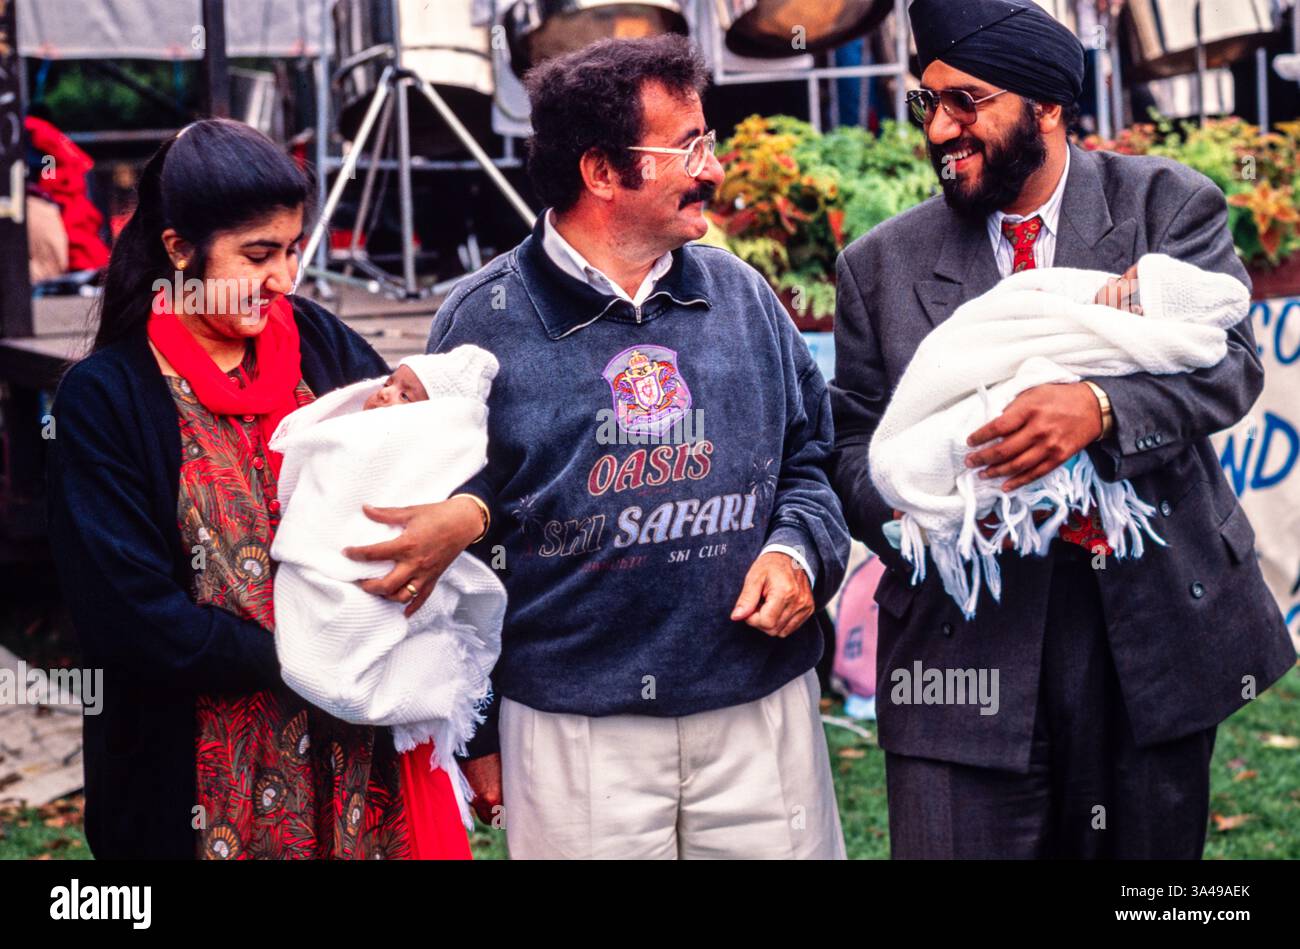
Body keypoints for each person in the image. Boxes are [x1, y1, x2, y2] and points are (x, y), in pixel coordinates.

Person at [829, 0, 1295, 859]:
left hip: (1146, 625)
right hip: (960, 640)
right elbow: (852, 445)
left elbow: (1230, 362)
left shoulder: (1165, 206)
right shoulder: (878, 266)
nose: (940, 130)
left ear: (1046, 105)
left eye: (966, 102)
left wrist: (1102, 408)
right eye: (926, 104)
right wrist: (934, 516)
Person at [418, 34, 851, 859]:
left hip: (759, 711)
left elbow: (812, 461)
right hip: (574, 734)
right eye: (688, 147)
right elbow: (450, 557)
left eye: (709, 141)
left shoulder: (743, 297)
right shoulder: (480, 325)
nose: (713, 168)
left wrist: (799, 551)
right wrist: (475, 731)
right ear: (602, 172)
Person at [45, 118, 463, 859]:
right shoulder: (107, 397)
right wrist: (324, 652)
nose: (283, 279)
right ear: (177, 249)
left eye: (294, 250)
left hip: (356, 766)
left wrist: (460, 516)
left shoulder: (320, 344)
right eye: (258, 254)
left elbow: (436, 458)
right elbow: (131, 621)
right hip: (201, 778)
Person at [269, 348, 508, 860]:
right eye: (389, 383)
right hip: (319, 586)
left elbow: (486, 471)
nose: (384, 395)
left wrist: (465, 515)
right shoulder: (348, 429)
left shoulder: (431, 463)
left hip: (387, 600)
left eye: (407, 396)